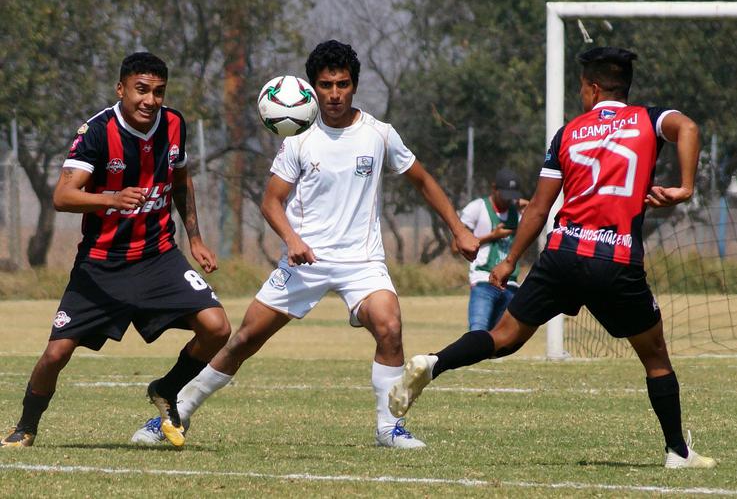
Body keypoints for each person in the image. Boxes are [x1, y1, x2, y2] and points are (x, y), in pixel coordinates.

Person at [131, 39, 479, 449]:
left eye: (343, 84)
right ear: (313, 88)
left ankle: (389, 429)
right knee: (243, 340)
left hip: (361, 262)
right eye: (326, 85)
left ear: (354, 86)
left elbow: (422, 179)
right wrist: (292, 239)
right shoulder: (298, 138)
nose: (335, 94)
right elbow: (271, 202)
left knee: (390, 327)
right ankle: (177, 412)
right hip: (303, 262)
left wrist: (458, 228)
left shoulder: (378, 135)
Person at [389, 47, 716, 468]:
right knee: (655, 357)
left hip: (560, 254)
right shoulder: (649, 119)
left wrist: (509, 263)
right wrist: (686, 187)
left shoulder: (568, 133)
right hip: (614, 260)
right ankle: (677, 452)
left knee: (503, 338)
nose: (581, 94)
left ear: (594, 88)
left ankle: (434, 363)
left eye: (582, 87)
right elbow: (688, 127)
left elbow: (540, 210)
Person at [0, 52, 231, 449]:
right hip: (102, 265)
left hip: (159, 257)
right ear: (121, 89)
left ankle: (166, 389)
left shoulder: (174, 123)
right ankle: (25, 426)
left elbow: (180, 181)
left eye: (158, 92)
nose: (150, 100)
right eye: (141, 90)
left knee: (218, 327)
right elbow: (62, 196)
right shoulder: (97, 132)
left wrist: (194, 239)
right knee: (56, 355)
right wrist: (110, 197)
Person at [458, 168, 523, 331]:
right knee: (478, 331)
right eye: (505, 195)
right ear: (494, 189)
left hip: (510, 283)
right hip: (483, 280)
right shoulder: (478, 208)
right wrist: (493, 235)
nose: (508, 201)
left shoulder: (518, 213)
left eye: (512, 197)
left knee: (500, 340)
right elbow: (456, 245)